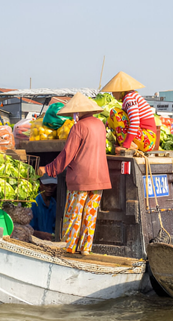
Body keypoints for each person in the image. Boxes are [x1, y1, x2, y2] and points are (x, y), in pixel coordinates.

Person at [38, 93, 111, 255]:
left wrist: (48, 169)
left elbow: (67, 155)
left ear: (78, 112)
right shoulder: (100, 125)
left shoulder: (78, 127)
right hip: (100, 178)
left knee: (74, 215)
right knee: (90, 216)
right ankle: (85, 248)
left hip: (81, 179)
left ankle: (69, 247)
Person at [101, 71, 156, 153]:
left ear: (120, 91)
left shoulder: (129, 98)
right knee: (110, 120)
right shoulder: (131, 97)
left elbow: (135, 122)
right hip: (145, 139)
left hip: (147, 139)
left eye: (113, 91)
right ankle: (126, 144)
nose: (112, 94)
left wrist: (125, 145)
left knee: (115, 112)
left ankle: (129, 145)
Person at [30, 173, 57, 238]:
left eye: (52, 186)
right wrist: (43, 235)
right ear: (40, 184)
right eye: (47, 185)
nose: (50, 189)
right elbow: (28, 229)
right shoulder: (33, 202)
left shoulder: (54, 203)